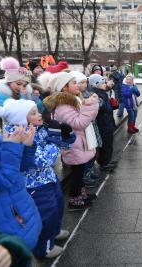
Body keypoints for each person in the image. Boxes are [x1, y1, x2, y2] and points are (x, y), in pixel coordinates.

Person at [0, 99, 72, 259]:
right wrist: (55, 142)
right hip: (34, 186)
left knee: (57, 207)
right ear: (21, 118)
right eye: (34, 113)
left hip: (48, 178)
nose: (39, 115)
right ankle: (44, 249)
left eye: (38, 111)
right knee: (46, 216)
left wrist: (65, 137)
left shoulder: (35, 128)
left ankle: (54, 233)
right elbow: (44, 160)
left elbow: (60, 146)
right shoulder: (18, 134)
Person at [0, 101, 42, 250]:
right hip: (4, 226)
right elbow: (3, 180)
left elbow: (20, 168)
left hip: (19, 213)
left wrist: (25, 147)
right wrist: (12, 146)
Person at [43, 72, 99, 210]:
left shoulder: (73, 99)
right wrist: (90, 106)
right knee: (77, 174)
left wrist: (89, 105)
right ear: (64, 88)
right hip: (74, 144)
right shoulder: (63, 106)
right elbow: (79, 123)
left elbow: (87, 118)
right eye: (73, 83)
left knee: (79, 172)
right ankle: (75, 200)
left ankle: (82, 195)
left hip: (78, 142)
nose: (77, 85)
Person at [89, 74, 117, 172]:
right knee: (105, 144)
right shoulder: (96, 94)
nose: (104, 84)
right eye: (102, 83)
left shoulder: (102, 92)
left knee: (108, 143)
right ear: (96, 84)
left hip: (107, 122)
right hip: (103, 123)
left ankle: (107, 161)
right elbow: (102, 108)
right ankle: (104, 163)